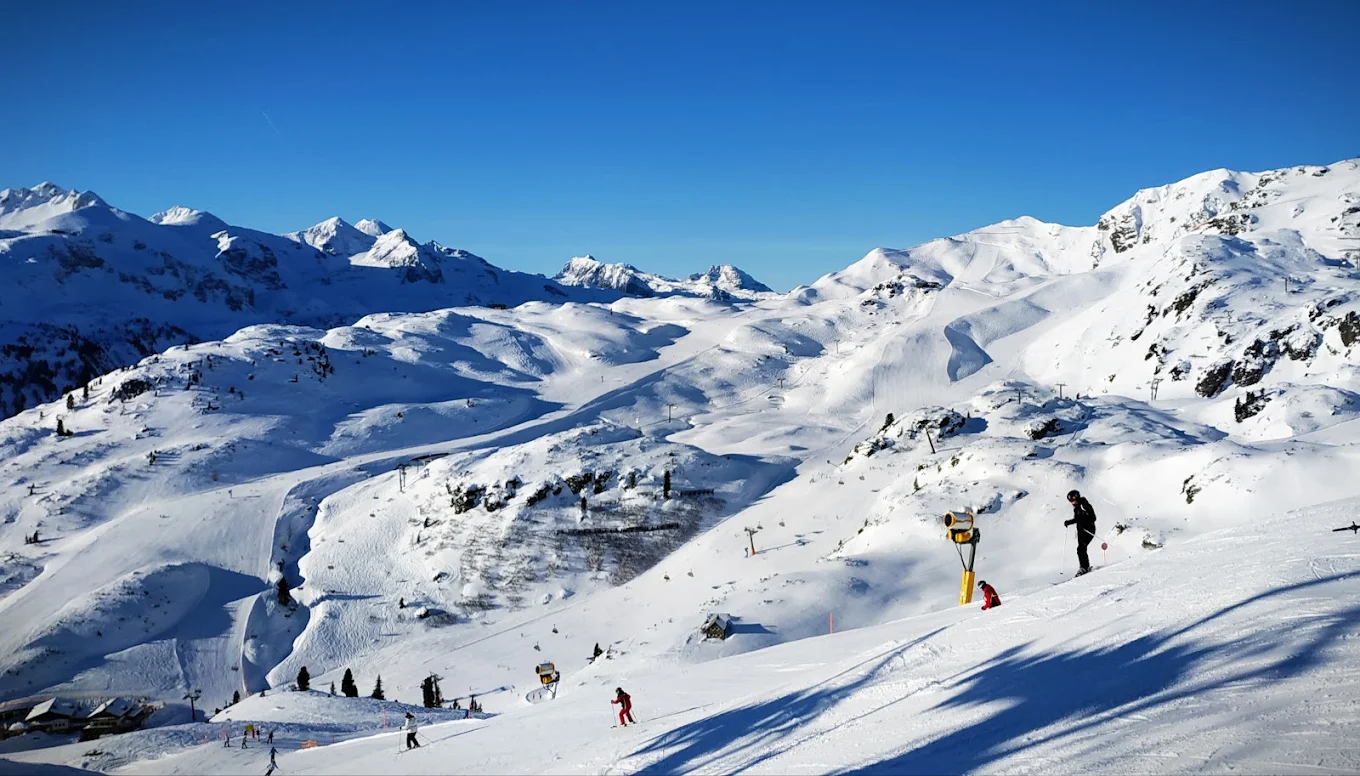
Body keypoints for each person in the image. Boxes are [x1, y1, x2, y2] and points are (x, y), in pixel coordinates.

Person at [1064, 489, 1097, 576]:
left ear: (1077, 497)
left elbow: (1093, 517)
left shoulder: (1084, 505)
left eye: (1072, 500)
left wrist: (1084, 522)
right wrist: (1068, 522)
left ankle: (1084, 567)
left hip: (1089, 529)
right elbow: (1077, 519)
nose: (1072, 502)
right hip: (1081, 531)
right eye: (1070, 501)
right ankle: (1084, 567)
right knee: (1080, 549)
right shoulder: (1077, 508)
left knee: (1081, 549)